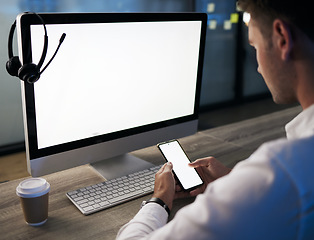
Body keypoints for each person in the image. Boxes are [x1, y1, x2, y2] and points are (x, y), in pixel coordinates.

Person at [116, 0, 314, 239]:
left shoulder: (279, 172)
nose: (259, 68)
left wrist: (159, 200)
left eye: (255, 46)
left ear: (282, 38)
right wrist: (236, 181)